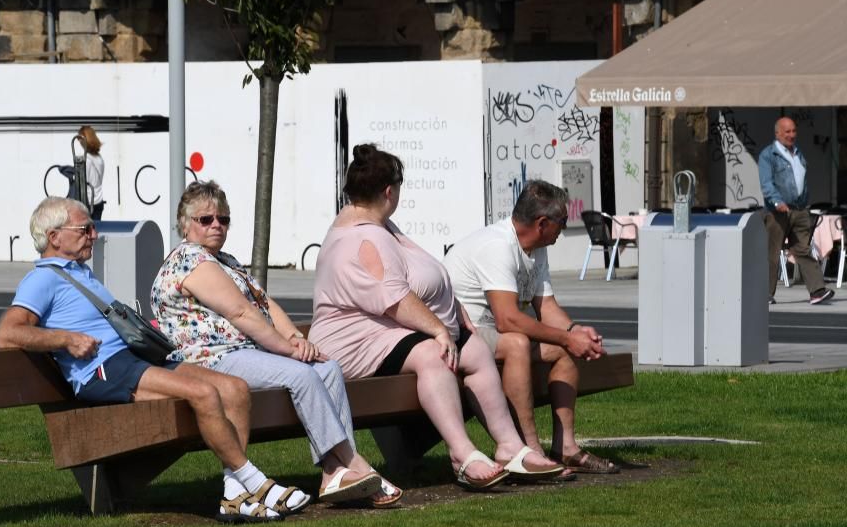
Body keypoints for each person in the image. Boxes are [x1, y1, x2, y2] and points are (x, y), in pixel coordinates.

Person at [0, 196, 309, 523]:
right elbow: (8, 332)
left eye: (93, 228)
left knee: (234, 389)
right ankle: (258, 483)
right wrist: (65, 339)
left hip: (134, 358)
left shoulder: (78, 273)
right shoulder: (42, 279)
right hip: (103, 370)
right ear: (54, 236)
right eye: (85, 228)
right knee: (204, 394)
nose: (94, 235)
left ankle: (234, 495)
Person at [309, 145, 564, 490]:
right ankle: (462, 453)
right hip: (353, 344)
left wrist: (454, 311)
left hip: (384, 334)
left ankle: (509, 445)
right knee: (435, 354)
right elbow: (394, 298)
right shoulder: (362, 238)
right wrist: (439, 329)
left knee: (473, 350)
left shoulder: (378, 224)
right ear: (389, 192)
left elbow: (416, 278)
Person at [151, 181, 401, 507]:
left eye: (223, 219)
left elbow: (264, 304)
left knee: (325, 367)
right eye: (206, 219)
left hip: (244, 352)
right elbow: (240, 312)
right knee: (302, 375)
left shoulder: (224, 260)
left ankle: (333, 472)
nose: (216, 225)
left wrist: (296, 338)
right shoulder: (188, 259)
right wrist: (287, 349)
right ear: (185, 224)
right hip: (209, 359)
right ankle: (354, 463)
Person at [443, 180, 618, 476]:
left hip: (487, 333)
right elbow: (507, 320)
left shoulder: (536, 248)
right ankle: (528, 451)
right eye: (562, 222)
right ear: (542, 223)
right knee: (517, 343)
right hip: (460, 333)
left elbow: (546, 308)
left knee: (563, 348)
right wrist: (566, 336)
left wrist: (574, 332)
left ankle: (566, 447)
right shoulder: (497, 246)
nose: (564, 228)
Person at [757, 116, 833, 305]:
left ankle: (817, 291)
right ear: (778, 133)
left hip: (799, 210)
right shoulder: (768, 155)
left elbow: (801, 180)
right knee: (771, 253)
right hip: (778, 212)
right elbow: (766, 183)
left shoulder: (798, 153)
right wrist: (776, 202)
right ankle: (765, 294)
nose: (792, 135)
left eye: (794, 131)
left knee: (803, 250)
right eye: (787, 132)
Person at [77, 125, 106, 220]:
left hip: (87, 202)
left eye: (80, 138)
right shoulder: (99, 158)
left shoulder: (85, 160)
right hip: (99, 200)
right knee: (96, 231)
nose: (78, 141)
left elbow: (82, 182)